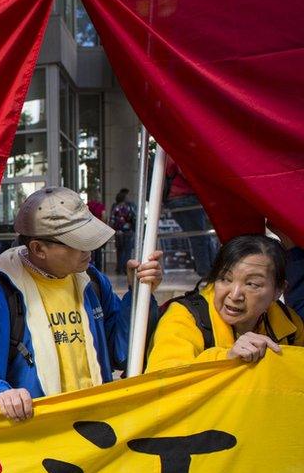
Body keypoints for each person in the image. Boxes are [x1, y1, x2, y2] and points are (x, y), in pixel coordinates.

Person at [0, 186, 163, 421]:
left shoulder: (92, 281)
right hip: (39, 438)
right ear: (38, 249)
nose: (89, 248)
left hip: (98, 431)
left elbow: (121, 353)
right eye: (76, 241)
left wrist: (139, 295)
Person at [147, 234, 304, 371]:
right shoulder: (184, 316)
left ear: (279, 290)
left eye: (252, 284)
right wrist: (227, 358)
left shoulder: (291, 325)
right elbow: (163, 379)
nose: (235, 295)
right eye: (225, 279)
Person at [164, 155, 218, 277]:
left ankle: (209, 269)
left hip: (174, 200)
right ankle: (207, 271)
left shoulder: (167, 155)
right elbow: (187, 174)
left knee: (198, 236)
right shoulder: (178, 153)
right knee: (200, 237)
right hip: (187, 198)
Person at [108, 188, 135, 274]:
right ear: (124, 198)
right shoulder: (128, 207)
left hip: (118, 232)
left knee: (119, 251)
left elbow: (111, 220)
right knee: (127, 251)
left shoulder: (115, 207)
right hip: (127, 232)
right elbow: (132, 218)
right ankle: (126, 269)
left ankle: (119, 268)